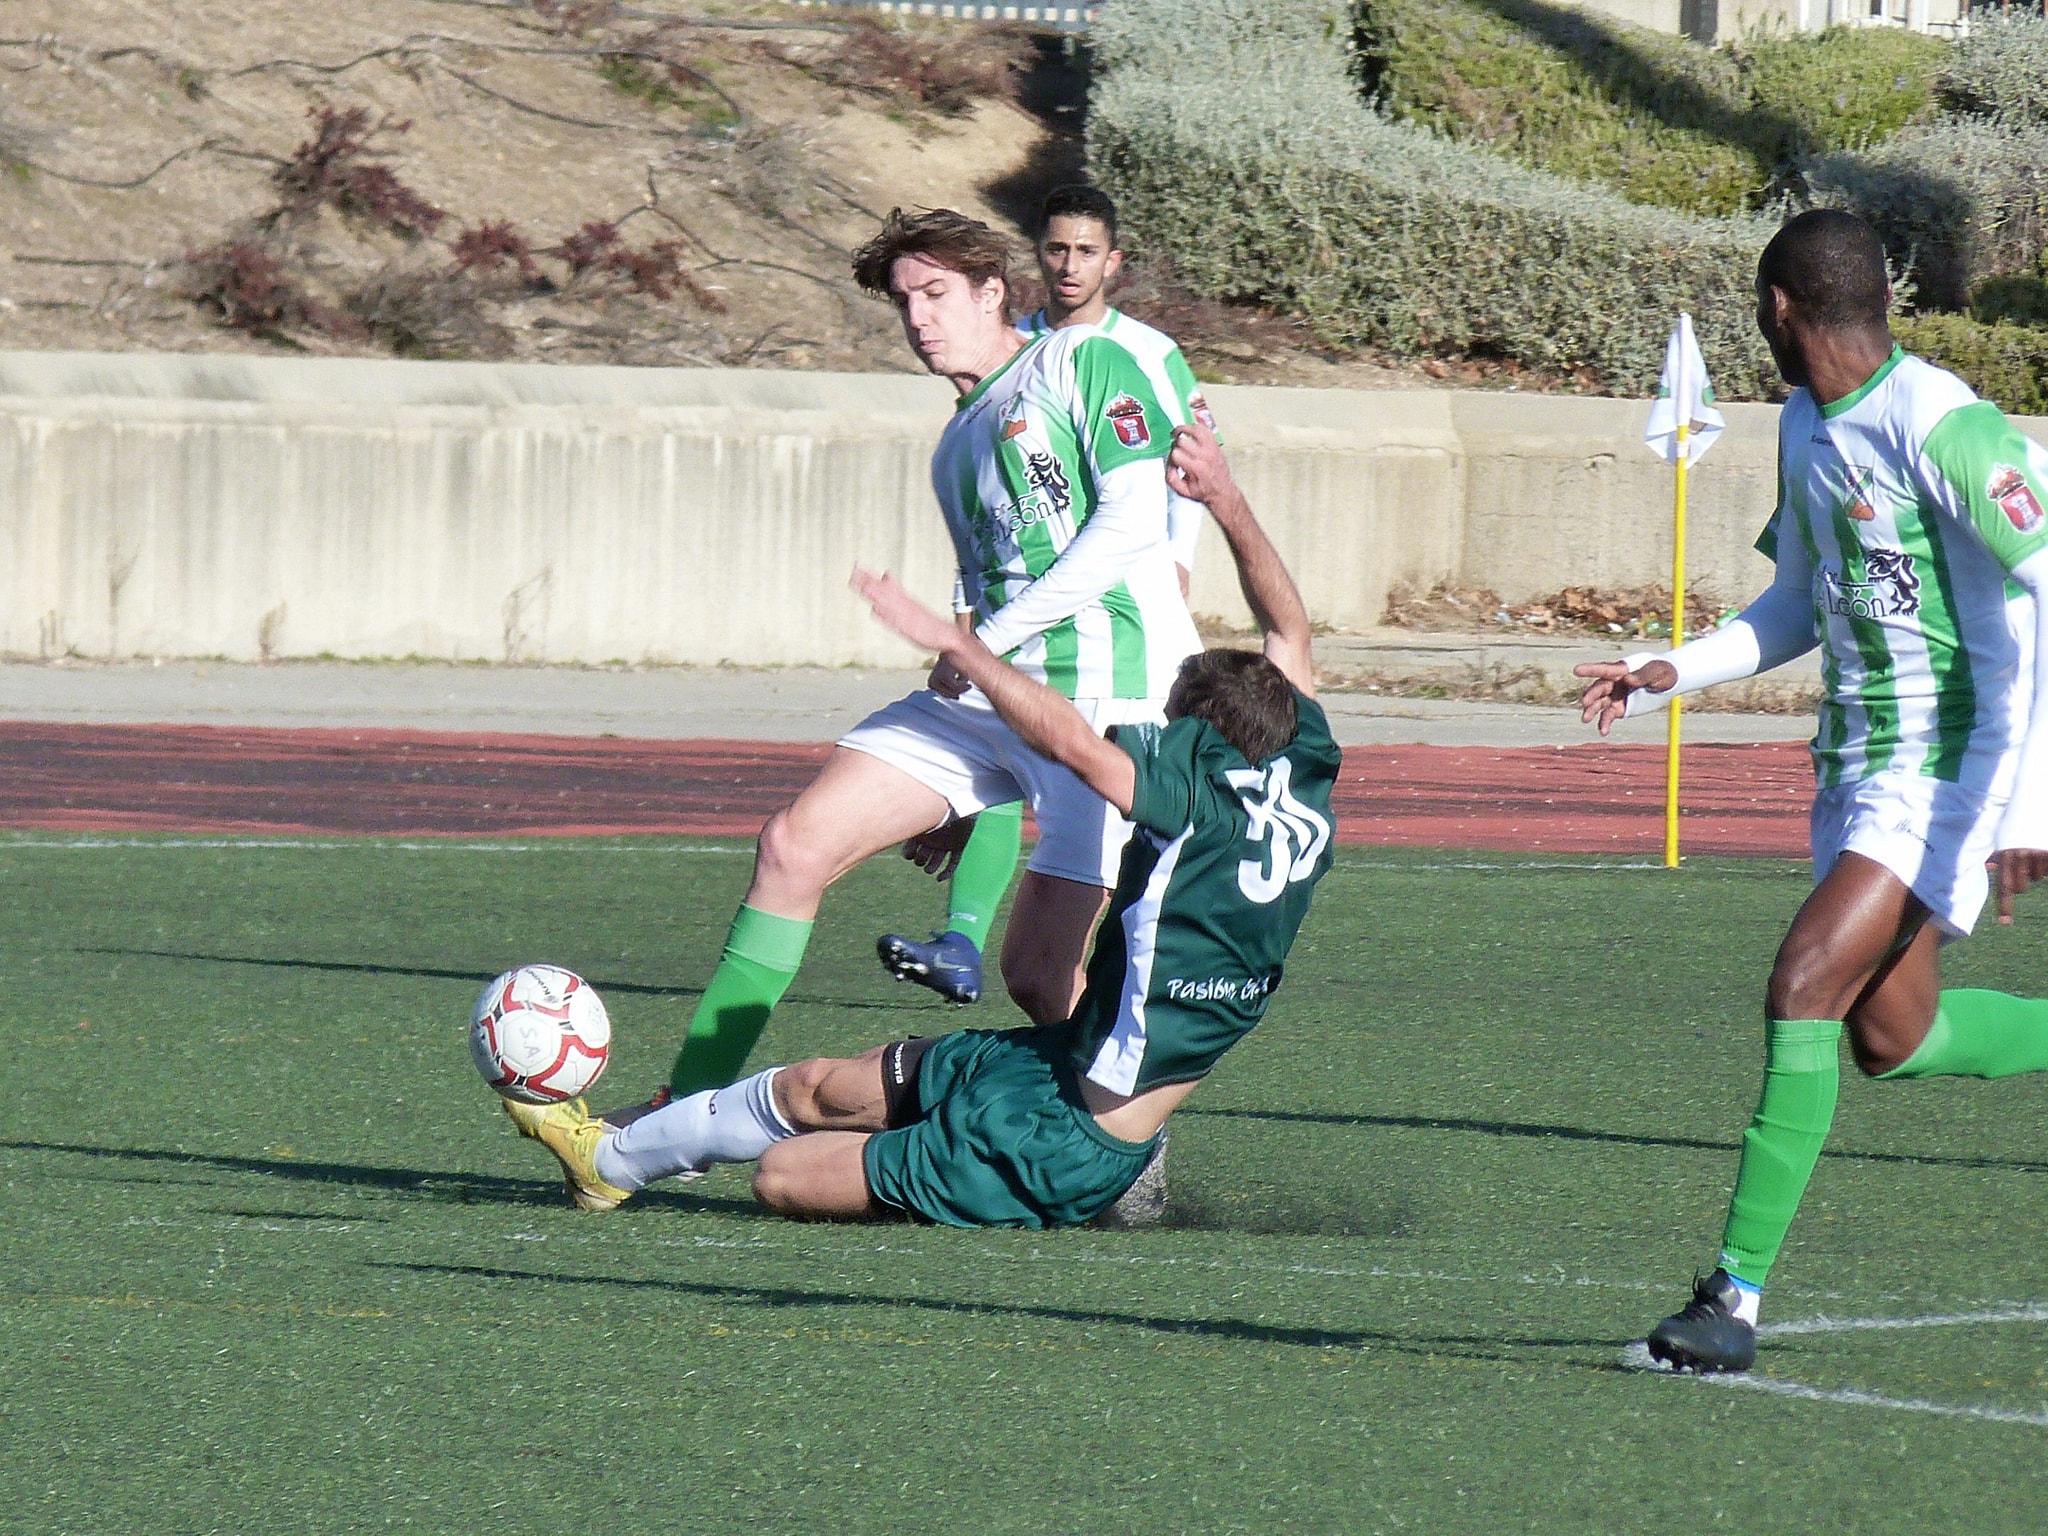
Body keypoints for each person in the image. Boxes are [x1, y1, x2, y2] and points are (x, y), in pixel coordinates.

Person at [503, 423, 1338, 1228]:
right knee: (816, 1089)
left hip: (1069, 1143)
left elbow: (1076, 745)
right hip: (1051, 1065)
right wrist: (1224, 500)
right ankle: (604, 1161)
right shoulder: (1295, 758)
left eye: (1174, 719)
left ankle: (1019, 1178)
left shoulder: (1192, 807)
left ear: (1202, 742)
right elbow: (1289, 629)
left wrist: (962, 646)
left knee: (783, 1176)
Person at [583, 206, 1200, 1125]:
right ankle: (685, 1107)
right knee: (793, 847)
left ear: (993, 292)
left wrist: (974, 648)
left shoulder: (1079, 361)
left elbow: (1130, 525)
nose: (918, 318)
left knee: (1040, 978)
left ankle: (1119, 1144)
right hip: (990, 698)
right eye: (904, 301)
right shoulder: (955, 445)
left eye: (936, 294)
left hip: (1109, 699)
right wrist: (968, 766)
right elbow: (987, 598)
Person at [1575, 208, 2048, 1374]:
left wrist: (2030, 807)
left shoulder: (1942, 421)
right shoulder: (1800, 424)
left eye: (1756, 307)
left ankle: (1728, 1301)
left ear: (1777, 308)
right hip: (1852, 769)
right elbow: (1795, 599)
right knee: (1893, 1037)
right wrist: (1670, 670)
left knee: (1801, 984)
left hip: (1946, 765)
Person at [878, 183, 1221, 1009]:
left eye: (1085, 250)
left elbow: (1180, 468)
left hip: (1123, 645)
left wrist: (1177, 558)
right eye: (1056, 248)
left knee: (1128, 911)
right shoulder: (1013, 357)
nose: (1069, 265)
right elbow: (995, 528)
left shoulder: (1137, 352)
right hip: (1034, 645)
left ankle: (1137, 1048)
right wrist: (968, 643)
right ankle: (966, 939)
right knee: (1041, 962)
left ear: (1114, 261)